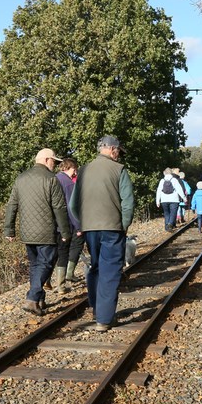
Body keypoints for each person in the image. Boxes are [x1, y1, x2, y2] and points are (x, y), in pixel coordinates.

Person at [69, 135, 135, 332]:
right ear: (113, 149)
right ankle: (104, 319)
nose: (118, 156)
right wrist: (124, 225)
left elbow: (73, 205)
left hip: (90, 228)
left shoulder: (83, 170)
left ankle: (98, 310)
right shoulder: (119, 170)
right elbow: (128, 202)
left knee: (95, 267)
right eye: (118, 152)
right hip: (112, 228)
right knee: (110, 270)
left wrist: (82, 223)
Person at [4, 148, 70, 316]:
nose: (54, 164)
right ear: (46, 160)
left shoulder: (21, 178)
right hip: (46, 231)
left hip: (27, 232)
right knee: (47, 263)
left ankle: (39, 300)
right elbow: (59, 207)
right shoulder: (51, 179)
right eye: (53, 161)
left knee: (35, 265)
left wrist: (9, 229)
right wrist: (65, 231)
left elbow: (12, 205)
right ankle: (32, 298)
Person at [52, 157, 85, 287]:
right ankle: (61, 284)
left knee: (53, 252)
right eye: (74, 169)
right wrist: (79, 226)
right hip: (66, 224)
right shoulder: (68, 183)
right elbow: (72, 207)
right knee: (64, 252)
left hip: (52, 223)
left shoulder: (53, 179)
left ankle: (49, 281)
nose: (75, 173)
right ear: (69, 168)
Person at [155, 168, 186, 232]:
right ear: (171, 173)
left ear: (164, 173)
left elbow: (158, 191)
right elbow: (179, 190)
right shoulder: (174, 180)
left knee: (166, 213)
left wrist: (157, 201)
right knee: (173, 213)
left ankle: (167, 227)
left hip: (164, 200)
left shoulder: (162, 180)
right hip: (174, 200)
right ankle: (170, 224)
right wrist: (184, 198)